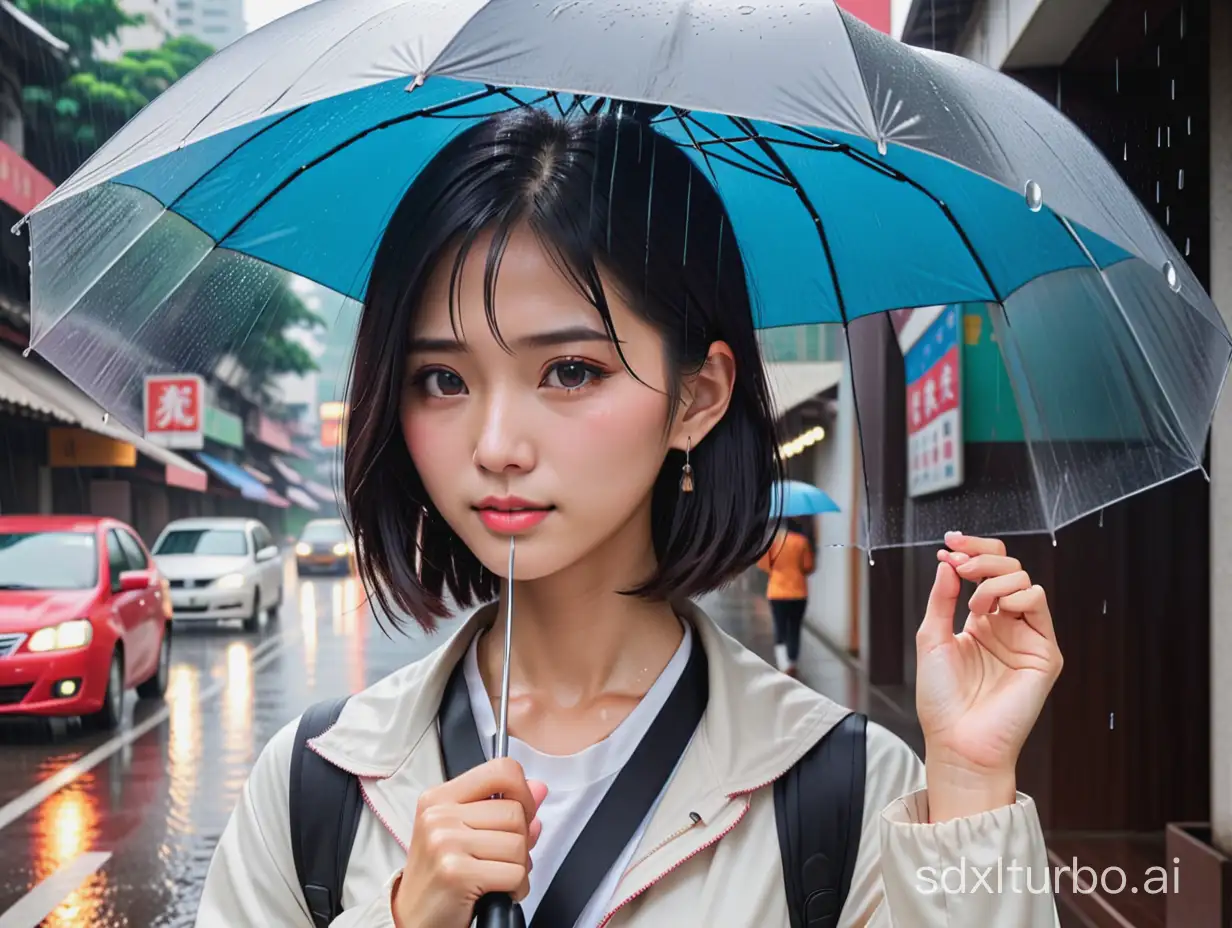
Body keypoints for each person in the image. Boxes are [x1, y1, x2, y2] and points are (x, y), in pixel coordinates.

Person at [197, 107, 1064, 927]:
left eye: (570, 371)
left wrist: (971, 786)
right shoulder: (313, 788)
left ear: (698, 397)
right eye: (444, 380)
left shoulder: (843, 789)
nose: (496, 444)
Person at [757, 516, 815, 677]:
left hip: (776, 591)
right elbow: (808, 566)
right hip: (798, 592)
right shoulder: (802, 541)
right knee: (794, 627)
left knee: (780, 626)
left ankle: (783, 664)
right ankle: (793, 661)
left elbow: (763, 564)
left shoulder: (773, 542)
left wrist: (776, 572)